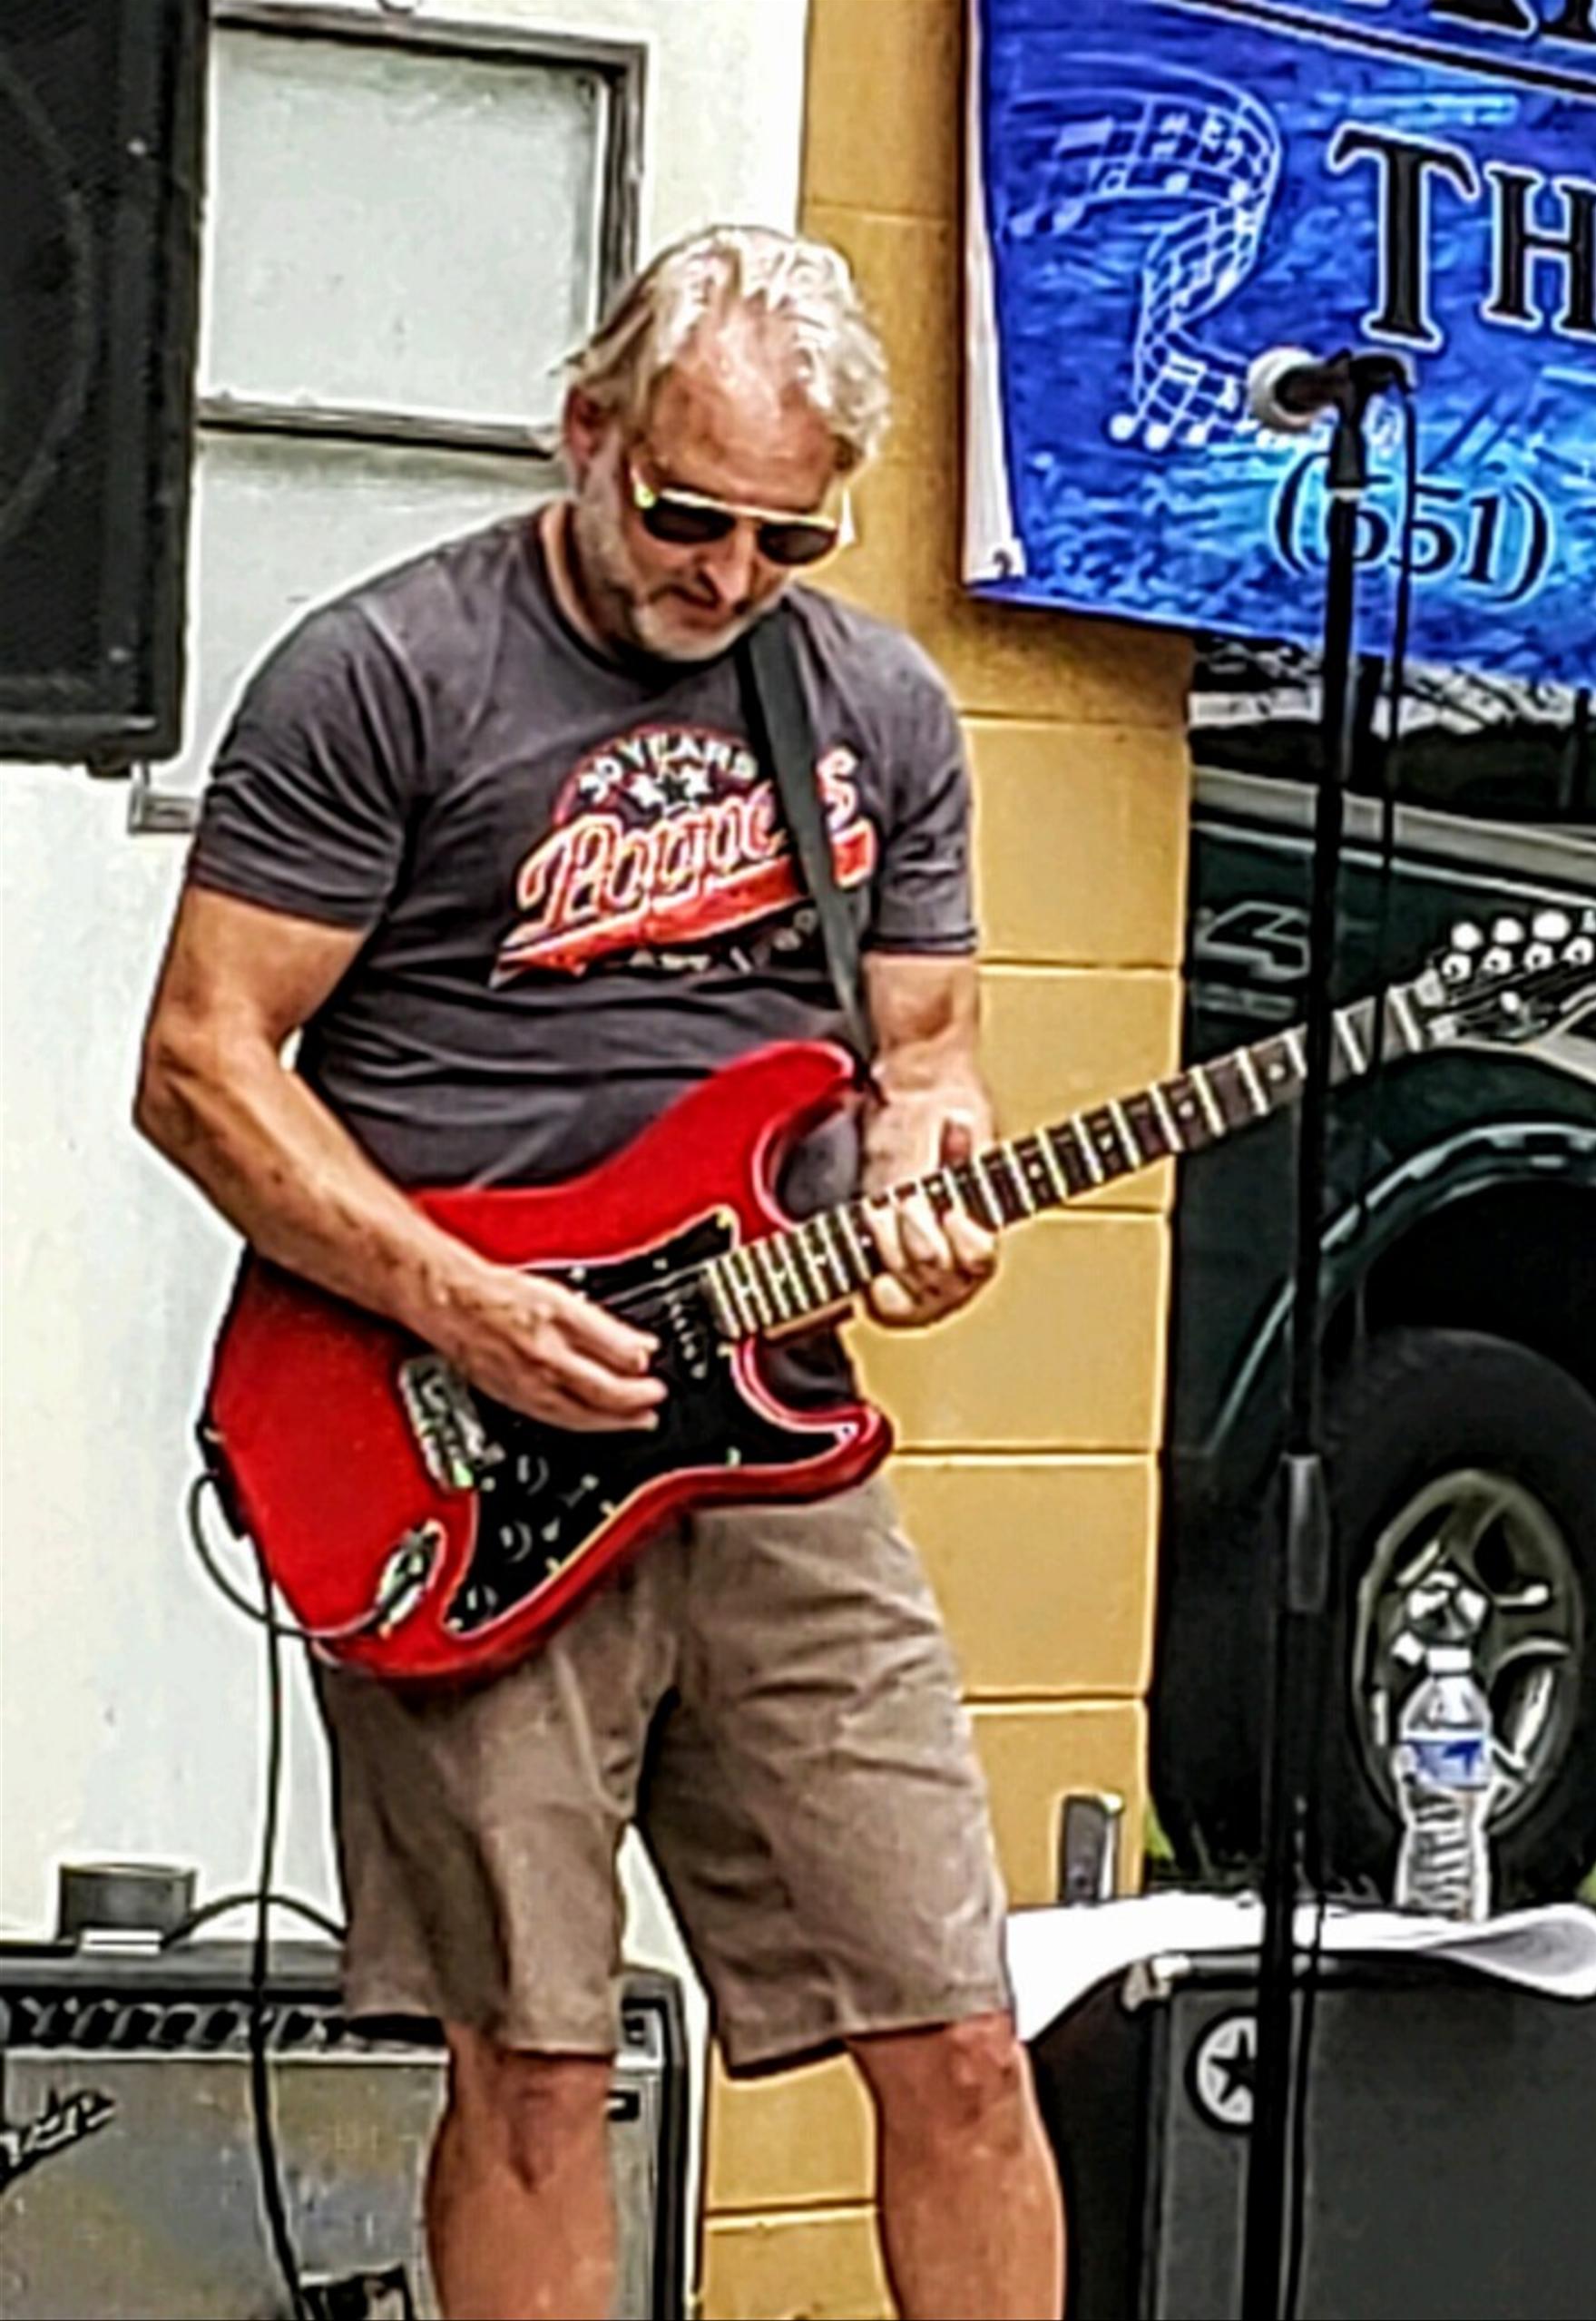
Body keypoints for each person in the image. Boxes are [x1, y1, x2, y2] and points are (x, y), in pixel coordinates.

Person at [134, 224, 1066, 2321]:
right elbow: (200, 1062)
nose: (725, 573)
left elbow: (925, 1054)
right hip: (452, 1438)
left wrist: (929, 1187)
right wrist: (461, 1301)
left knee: (964, 2028)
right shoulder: (387, 671)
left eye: (784, 534)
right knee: (542, 2069)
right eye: (683, 511)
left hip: (770, 1442)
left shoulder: (878, 708)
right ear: (586, 428)